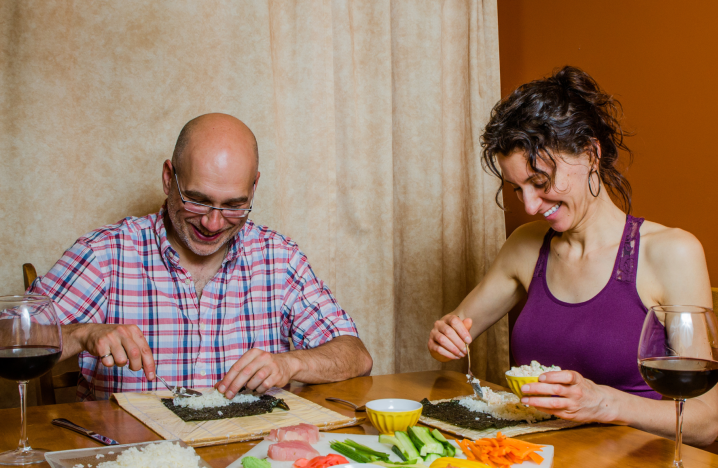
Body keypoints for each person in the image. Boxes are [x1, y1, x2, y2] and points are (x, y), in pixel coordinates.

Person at [427, 66, 718, 446]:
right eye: (517, 189)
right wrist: (445, 337)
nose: (530, 206)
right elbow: (453, 340)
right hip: (536, 462)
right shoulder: (524, 245)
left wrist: (607, 404)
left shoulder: (672, 253)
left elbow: (708, 420)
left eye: (541, 182)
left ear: (591, 154)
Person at [31, 113, 372, 401]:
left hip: (246, 461)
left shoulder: (278, 258)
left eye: (234, 205)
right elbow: (9, 340)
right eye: (197, 199)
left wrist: (290, 364)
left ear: (253, 188)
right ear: (169, 179)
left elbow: (356, 355)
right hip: (134, 460)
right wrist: (81, 334)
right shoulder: (105, 254)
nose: (212, 223)